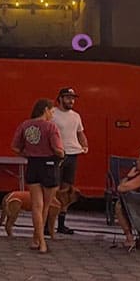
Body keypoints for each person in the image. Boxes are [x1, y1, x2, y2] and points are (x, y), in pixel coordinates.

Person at [9, 98, 64, 254]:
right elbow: (58, 149)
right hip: (49, 166)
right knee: (45, 207)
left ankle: (37, 239)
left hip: (33, 165)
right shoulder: (51, 127)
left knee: (36, 206)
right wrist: (61, 155)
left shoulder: (25, 125)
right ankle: (42, 242)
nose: (52, 115)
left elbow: (15, 147)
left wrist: (28, 154)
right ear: (45, 110)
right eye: (52, 112)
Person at [51, 86, 88, 234]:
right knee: (53, 189)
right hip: (58, 154)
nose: (71, 101)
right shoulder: (52, 113)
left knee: (66, 190)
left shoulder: (76, 116)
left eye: (72, 98)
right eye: (67, 98)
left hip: (73, 154)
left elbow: (80, 133)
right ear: (60, 98)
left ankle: (61, 224)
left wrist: (84, 144)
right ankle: (49, 223)